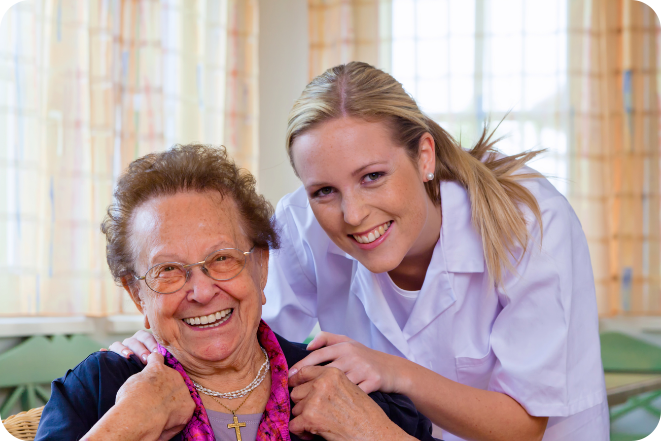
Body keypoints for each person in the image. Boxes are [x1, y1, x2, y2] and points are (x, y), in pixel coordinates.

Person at [111, 62, 608, 441]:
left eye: (373, 177)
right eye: (323, 190)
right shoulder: (301, 226)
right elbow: (247, 338)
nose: (351, 214)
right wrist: (162, 336)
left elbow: (524, 427)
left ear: (425, 155)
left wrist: (394, 371)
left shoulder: (528, 221)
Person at [35, 145, 439, 441]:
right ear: (138, 294)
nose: (202, 291)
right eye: (169, 270)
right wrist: (126, 427)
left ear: (260, 267)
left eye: (223, 258)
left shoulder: (344, 385)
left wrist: (373, 433)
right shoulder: (98, 392)